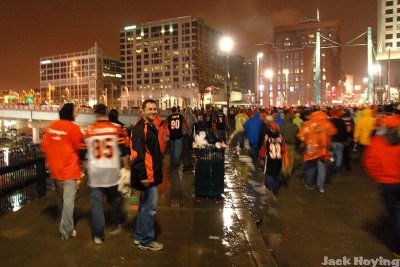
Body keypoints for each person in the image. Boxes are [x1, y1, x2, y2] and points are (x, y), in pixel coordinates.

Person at [82, 104, 130, 245]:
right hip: (111, 171)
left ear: (95, 114)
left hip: (96, 172)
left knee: (96, 203)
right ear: (106, 113)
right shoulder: (116, 129)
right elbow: (123, 151)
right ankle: (118, 222)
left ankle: (98, 235)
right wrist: (126, 168)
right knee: (115, 198)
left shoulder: (89, 130)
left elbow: (82, 152)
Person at [41, 103, 83, 240]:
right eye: (75, 111)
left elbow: (45, 147)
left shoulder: (51, 127)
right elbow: (79, 147)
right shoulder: (73, 128)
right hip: (69, 170)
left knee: (60, 198)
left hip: (55, 170)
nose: (77, 113)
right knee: (69, 200)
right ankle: (66, 230)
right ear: (70, 113)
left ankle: (62, 221)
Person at [363, 114, 400, 258]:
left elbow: (369, 164)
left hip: (388, 184)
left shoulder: (377, 142)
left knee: (396, 216)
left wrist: (381, 177)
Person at [130, 99, 164, 251]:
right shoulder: (141, 128)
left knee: (143, 207)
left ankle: (139, 236)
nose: (153, 111)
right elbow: (137, 154)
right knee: (149, 209)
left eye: (155, 109)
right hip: (147, 176)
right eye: (149, 109)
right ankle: (146, 241)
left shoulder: (148, 125)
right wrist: (143, 176)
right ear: (142, 110)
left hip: (149, 174)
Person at [298, 110, 337, 194]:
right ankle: (321, 187)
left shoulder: (308, 124)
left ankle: (308, 183)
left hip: (311, 149)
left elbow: (301, 136)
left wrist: (307, 142)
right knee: (322, 167)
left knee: (311, 166)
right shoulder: (327, 124)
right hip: (323, 149)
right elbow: (332, 134)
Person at [259, 122, 289, 196]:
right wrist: (285, 158)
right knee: (277, 174)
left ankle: (270, 187)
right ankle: (276, 190)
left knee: (269, 174)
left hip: (269, 159)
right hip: (278, 159)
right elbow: (284, 148)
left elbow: (264, 149)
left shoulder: (267, 137)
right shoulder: (280, 137)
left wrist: (261, 157)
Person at [279, 112, 299, 179]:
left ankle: (284, 171)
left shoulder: (282, 126)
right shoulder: (295, 126)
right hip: (292, 145)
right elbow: (298, 135)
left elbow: (280, 135)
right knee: (291, 160)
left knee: (284, 159)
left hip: (284, 145)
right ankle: (289, 172)